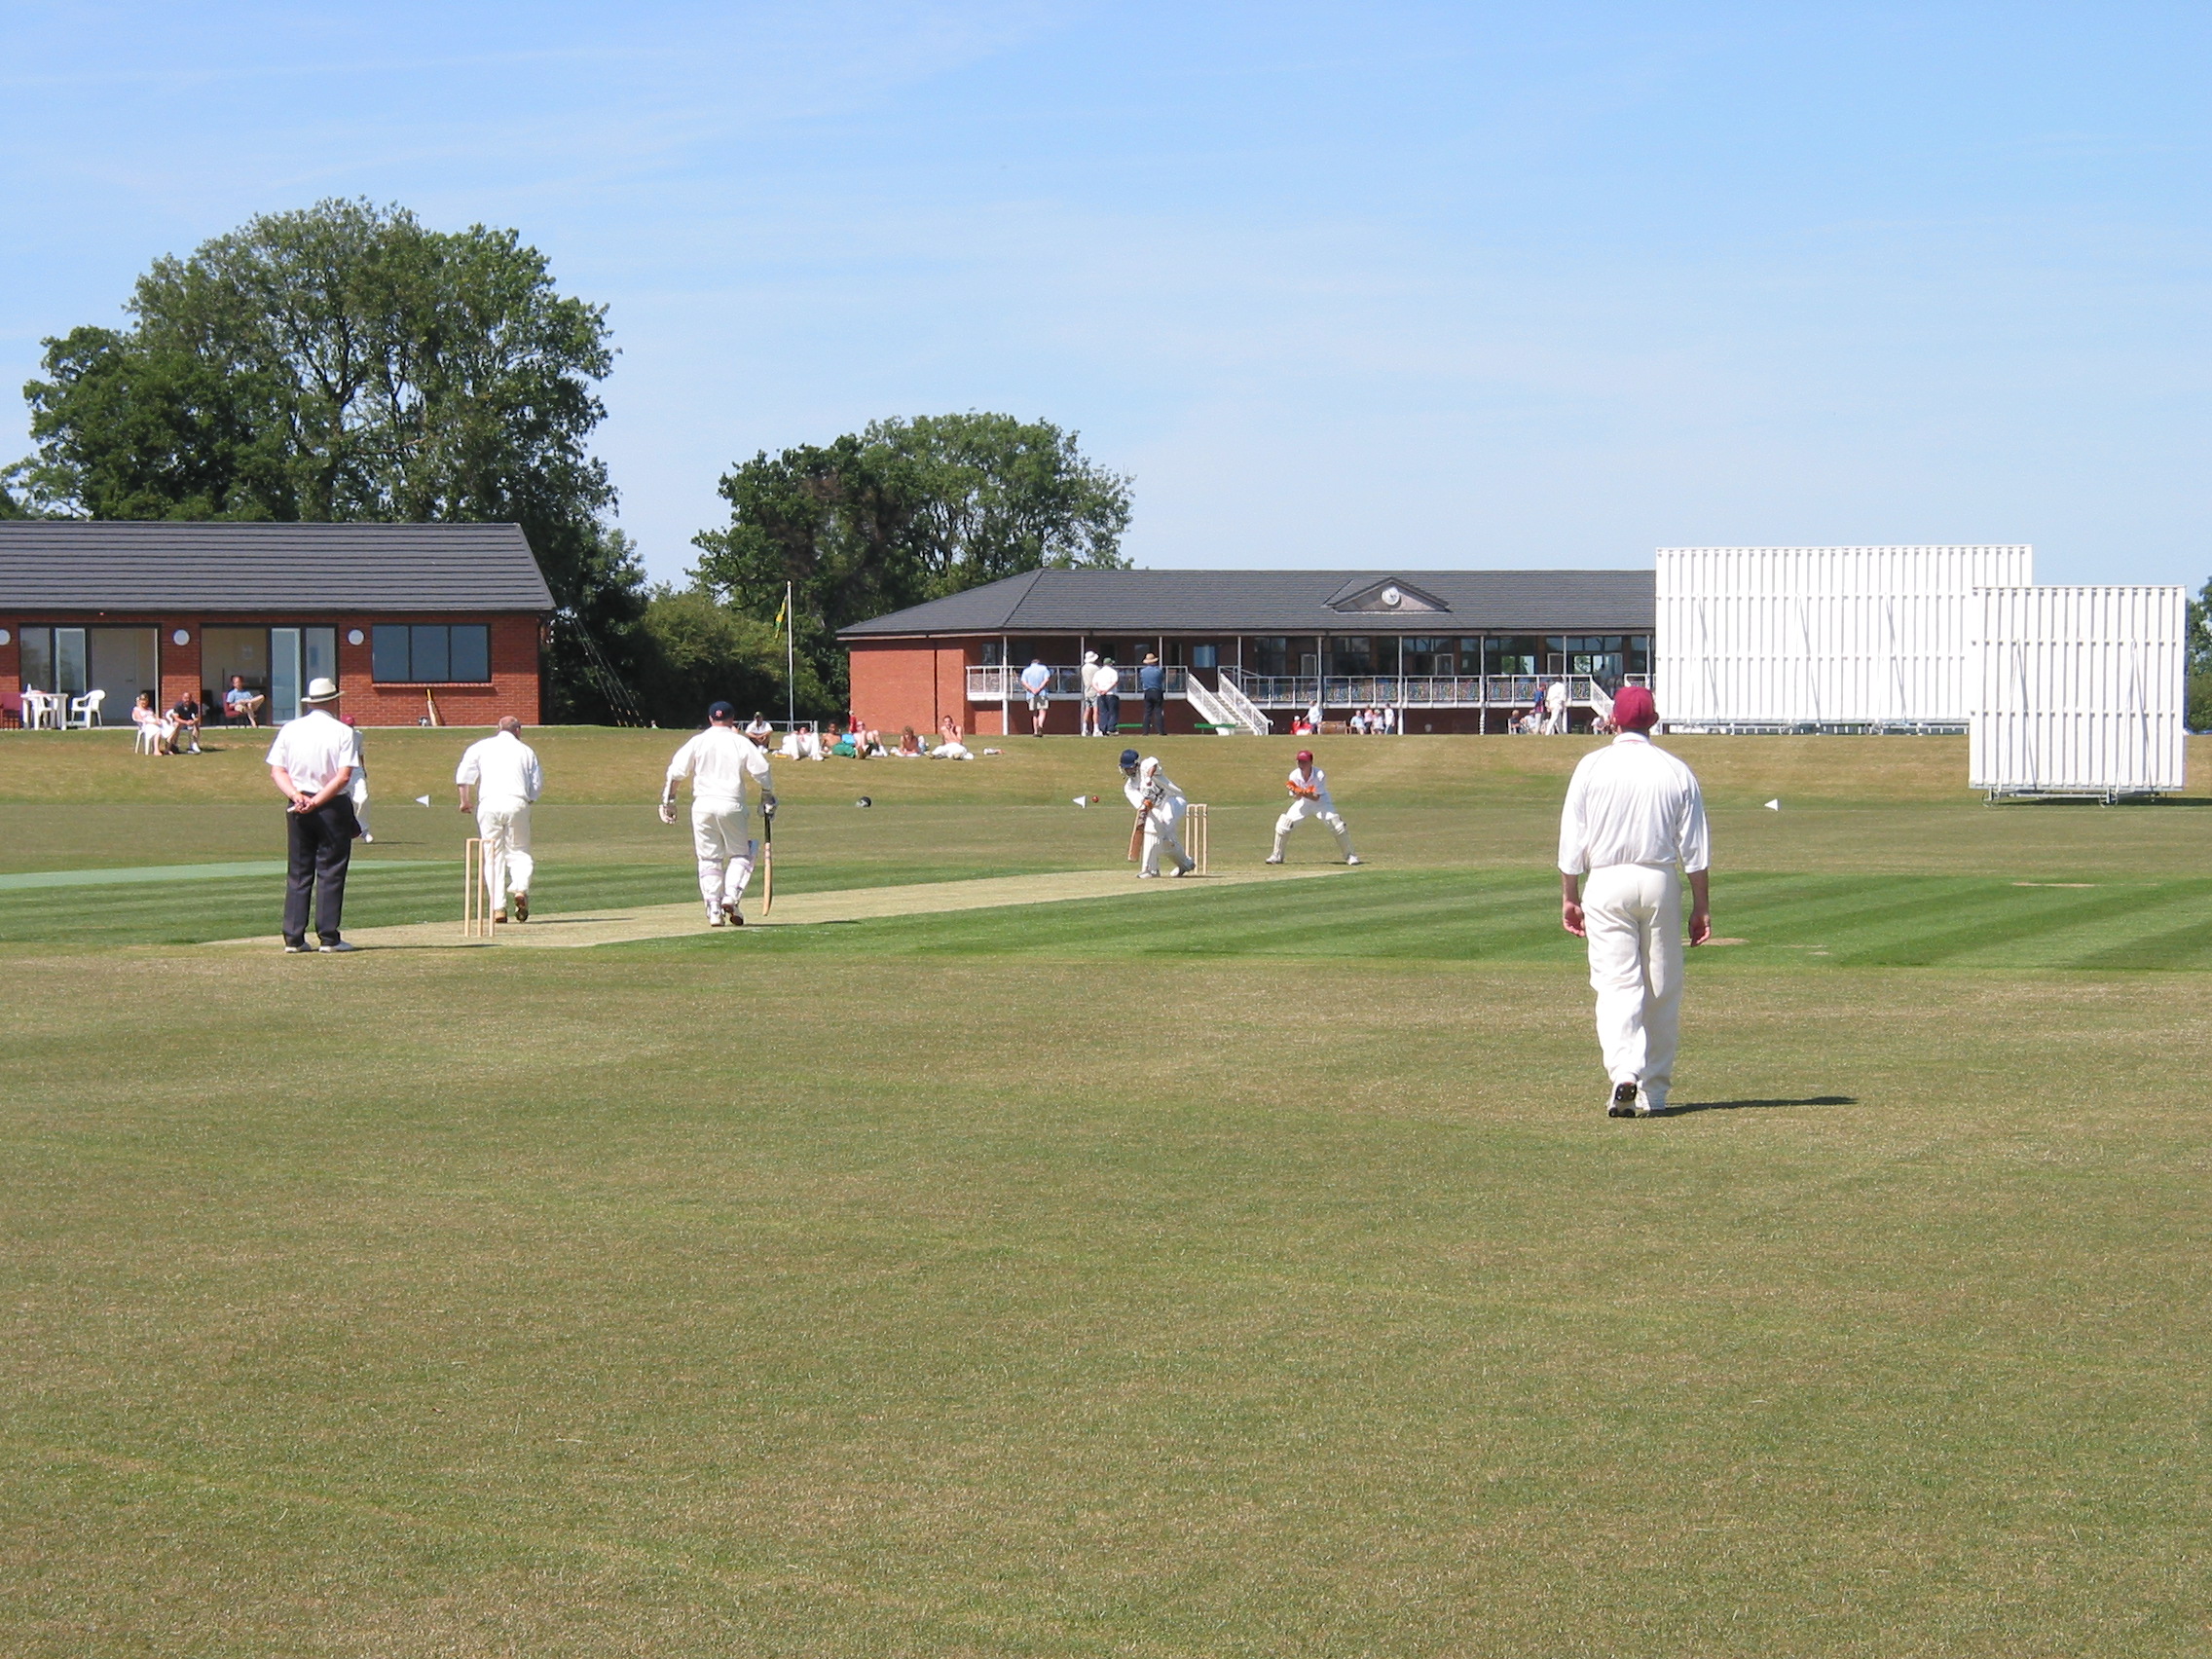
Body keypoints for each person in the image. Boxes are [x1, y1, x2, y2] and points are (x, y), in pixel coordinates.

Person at [1557, 684, 1712, 1119]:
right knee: (1661, 987)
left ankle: (1624, 1071)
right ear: (1653, 722)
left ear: (1614, 720)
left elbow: (1573, 840)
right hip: (1659, 877)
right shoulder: (1676, 770)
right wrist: (1702, 906)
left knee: (1617, 986)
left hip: (1606, 881)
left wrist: (1570, 895)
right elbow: (1695, 849)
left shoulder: (1592, 766)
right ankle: (1656, 1090)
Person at [266, 676, 362, 953]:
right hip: (330, 804)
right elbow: (343, 777)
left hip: (298, 804)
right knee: (330, 871)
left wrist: (298, 797)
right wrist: (317, 801)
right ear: (333, 700)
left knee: (298, 870)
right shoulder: (344, 731)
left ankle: (293, 938)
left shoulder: (290, 729)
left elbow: (277, 771)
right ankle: (329, 937)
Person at [661, 701, 775, 928]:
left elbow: (676, 772)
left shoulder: (698, 741)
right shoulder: (739, 741)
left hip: (702, 805)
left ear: (710, 718)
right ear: (733, 719)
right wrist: (767, 795)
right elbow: (762, 769)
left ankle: (714, 909)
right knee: (741, 853)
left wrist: (669, 801)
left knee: (709, 858)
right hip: (731, 803)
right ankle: (731, 896)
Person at [456, 715, 544, 923]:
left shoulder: (481, 746)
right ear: (518, 731)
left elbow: (463, 775)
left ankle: (498, 908)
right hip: (517, 802)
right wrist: (529, 799)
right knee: (519, 852)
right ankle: (520, 888)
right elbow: (537, 783)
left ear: (498, 728)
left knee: (493, 856)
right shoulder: (526, 750)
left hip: (489, 803)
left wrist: (465, 801)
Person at [1267, 749, 1360, 866]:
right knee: (1284, 823)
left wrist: (1303, 793)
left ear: (1311, 762)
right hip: (1304, 802)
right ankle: (1277, 856)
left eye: (1304, 762)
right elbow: (1296, 798)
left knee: (1337, 824)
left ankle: (1350, 856)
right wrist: (1298, 793)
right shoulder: (1294, 775)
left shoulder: (1319, 774)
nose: (1301, 765)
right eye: (1299, 762)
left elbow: (1316, 797)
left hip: (1321, 802)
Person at [1119, 748, 1196, 878]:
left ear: (1137, 764)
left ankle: (1150, 870)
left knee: (1163, 826)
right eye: (1126, 768)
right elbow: (1143, 807)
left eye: (1130, 768)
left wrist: (1149, 778)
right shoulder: (1129, 787)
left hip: (1174, 799)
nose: (1128, 771)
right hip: (1157, 808)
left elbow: (1153, 764)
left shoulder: (1145, 767)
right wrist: (1146, 805)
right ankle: (1185, 864)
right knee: (1164, 839)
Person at [1018, 656, 1052, 736]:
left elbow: (1023, 682)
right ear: (1039, 663)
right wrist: (1039, 688)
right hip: (1042, 693)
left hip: (1031, 694)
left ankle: (1035, 731)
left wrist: (1032, 689)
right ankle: (1040, 726)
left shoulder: (1026, 670)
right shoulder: (1044, 669)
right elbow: (1046, 679)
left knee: (1034, 713)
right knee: (1042, 711)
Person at [1138, 652, 1166, 735]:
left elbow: (1141, 680)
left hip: (1147, 691)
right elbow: (1161, 679)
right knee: (1158, 711)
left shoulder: (1143, 671)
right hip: (1157, 691)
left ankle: (1145, 731)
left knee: (1147, 712)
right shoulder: (1159, 671)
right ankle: (1160, 731)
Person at [1094, 656, 1122, 735]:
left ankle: (1103, 728)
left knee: (1103, 712)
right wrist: (1107, 690)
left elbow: (1094, 683)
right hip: (1111, 694)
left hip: (1100, 694)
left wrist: (1099, 690)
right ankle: (1111, 728)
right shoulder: (1113, 672)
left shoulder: (1098, 672)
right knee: (1113, 712)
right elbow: (1114, 682)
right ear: (1110, 664)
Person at [1078, 650, 1102, 736]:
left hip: (1086, 690)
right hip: (1094, 690)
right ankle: (1096, 729)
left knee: (1087, 710)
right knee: (1095, 710)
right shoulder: (1096, 668)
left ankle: (1084, 729)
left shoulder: (1083, 668)